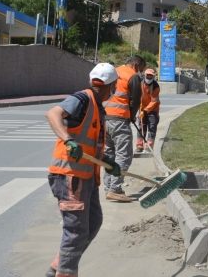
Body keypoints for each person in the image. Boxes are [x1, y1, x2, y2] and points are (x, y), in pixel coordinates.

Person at [44, 63, 122, 277]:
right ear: (112, 85)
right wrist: (68, 140)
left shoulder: (97, 105)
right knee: (76, 231)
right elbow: (52, 114)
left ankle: (56, 268)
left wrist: (106, 161)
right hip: (70, 176)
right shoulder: (82, 99)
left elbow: (88, 142)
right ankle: (66, 273)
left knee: (93, 222)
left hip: (86, 176)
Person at [103, 55, 145, 202]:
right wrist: (132, 116)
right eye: (141, 69)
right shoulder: (132, 76)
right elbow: (136, 100)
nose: (141, 73)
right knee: (124, 155)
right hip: (120, 120)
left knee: (109, 154)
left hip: (105, 119)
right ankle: (115, 189)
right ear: (136, 65)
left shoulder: (114, 71)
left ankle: (108, 187)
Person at [137, 68, 160, 152]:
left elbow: (154, 101)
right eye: (148, 75)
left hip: (153, 110)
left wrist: (145, 110)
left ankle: (149, 146)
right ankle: (139, 145)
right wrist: (140, 108)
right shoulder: (140, 84)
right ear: (145, 75)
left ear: (153, 77)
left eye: (151, 76)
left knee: (152, 127)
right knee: (141, 126)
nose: (149, 77)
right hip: (142, 108)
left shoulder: (156, 87)